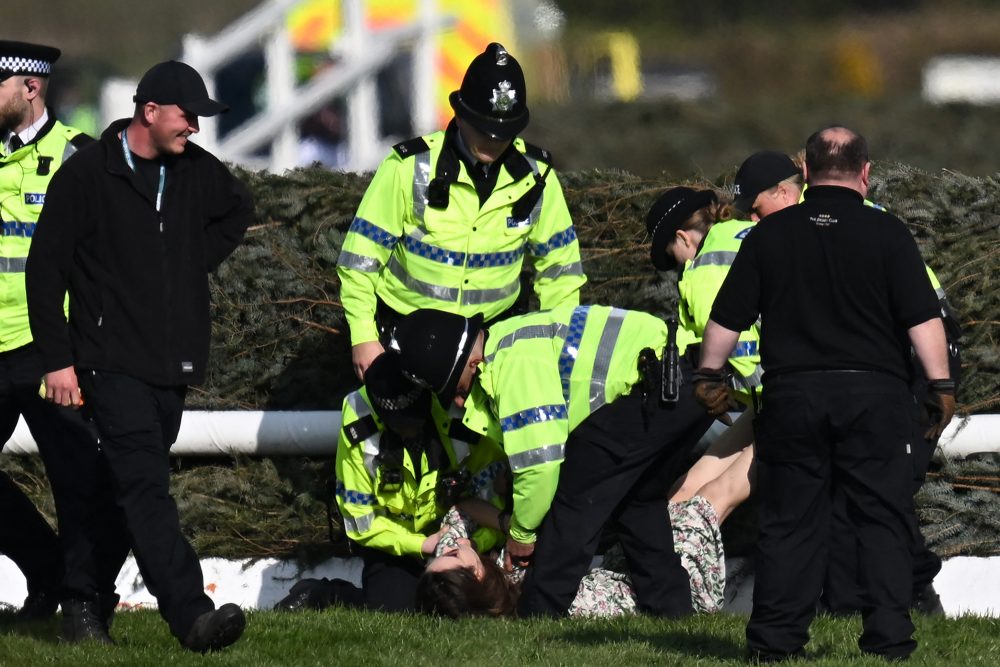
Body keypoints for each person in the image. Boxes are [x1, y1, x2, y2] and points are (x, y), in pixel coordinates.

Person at [696, 126, 954, 661]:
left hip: (794, 397)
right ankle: (888, 641)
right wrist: (940, 384)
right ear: (866, 173)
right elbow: (922, 317)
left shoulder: (769, 235)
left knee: (790, 522)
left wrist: (709, 376)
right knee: (880, 519)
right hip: (874, 397)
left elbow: (726, 318)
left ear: (806, 173)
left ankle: (774, 643)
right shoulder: (888, 233)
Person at [24, 60, 255, 652]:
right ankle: (191, 616)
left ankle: (82, 603)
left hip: (171, 367)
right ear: (148, 112)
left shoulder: (199, 173)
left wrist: (185, 262)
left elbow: (238, 212)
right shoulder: (85, 178)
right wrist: (57, 361)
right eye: (188, 117)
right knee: (147, 488)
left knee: (122, 493)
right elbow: (44, 271)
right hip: (106, 363)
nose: (196, 130)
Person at [388, 304, 715, 618]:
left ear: (470, 364)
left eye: (454, 389)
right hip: (686, 379)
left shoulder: (510, 365)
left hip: (660, 382)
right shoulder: (508, 343)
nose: (459, 400)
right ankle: (672, 610)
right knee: (637, 502)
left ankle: (539, 613)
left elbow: (541, 464)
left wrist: (521, 534)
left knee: (576, 495)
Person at [337, 42, 586, 381]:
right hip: (405, 342)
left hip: (491, 348)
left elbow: (562, 269)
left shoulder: (537, 177)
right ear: (460, 113)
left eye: (504, 133)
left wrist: (555, 340)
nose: (494, 141)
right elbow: (360, 259)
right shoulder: (407, 168)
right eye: (484, 129)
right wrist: (363, 336)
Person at [274, 350, 507, 612]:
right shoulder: (360, 427)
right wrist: (420, 545)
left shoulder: (458, 413)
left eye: (414, 421)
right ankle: (321, 594)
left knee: (467, 603)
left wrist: (478, 543)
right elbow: (361, 521)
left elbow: (492, 493)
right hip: (395, 546)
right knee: (395, 608)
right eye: (399, 425)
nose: (408, 432)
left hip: (463, 538)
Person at [0, 39, 103, 627]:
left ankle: (84, 606)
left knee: (78, 483)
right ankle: (46, 567)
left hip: (51, 352)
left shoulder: (80, 158)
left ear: (29, 87)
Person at [416, 444, 755, 618]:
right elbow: (632, 603)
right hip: (670, 590)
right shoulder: (545, 606)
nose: (452, 544)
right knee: (712, 498)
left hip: (635, 570)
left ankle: (765, 408)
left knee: (683, 492)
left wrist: (506, 528)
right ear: (475, 573)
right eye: (451, 553)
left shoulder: (493, 585)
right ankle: (786, 425)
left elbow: (461, 512)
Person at [644, 186, 762, 500]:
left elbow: (742, 349)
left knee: (712, 488)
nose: (680, 267)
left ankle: (671, 541)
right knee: (694, 484)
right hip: (812, 380)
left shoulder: (705, 268)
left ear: (683, 237)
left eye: (674, 257)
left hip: (776, 399)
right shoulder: (747, 231)